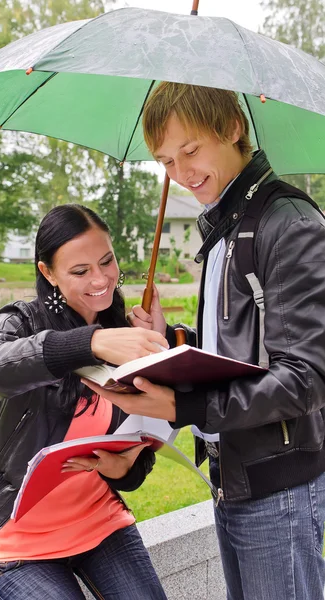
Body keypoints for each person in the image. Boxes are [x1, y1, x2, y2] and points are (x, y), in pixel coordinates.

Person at [83, 83, 325, 600]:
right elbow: (242, 349)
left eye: (190, 150)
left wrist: (182, 403)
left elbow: (308, 377)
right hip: (232, 474)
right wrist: (169, 340)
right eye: (167, 161)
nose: (181, 174)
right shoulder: (225, 227)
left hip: (277, 483)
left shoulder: (288, 224)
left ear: (232, 128)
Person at [0, 203, 169, 600]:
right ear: (48, 272)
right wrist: (91, 342)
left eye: (106, 261)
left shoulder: (126, 332)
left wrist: (120, 469)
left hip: (102, 524)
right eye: (80, 271)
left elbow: (142, 445)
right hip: (22, 545)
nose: (101, 279)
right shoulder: (22, 320)